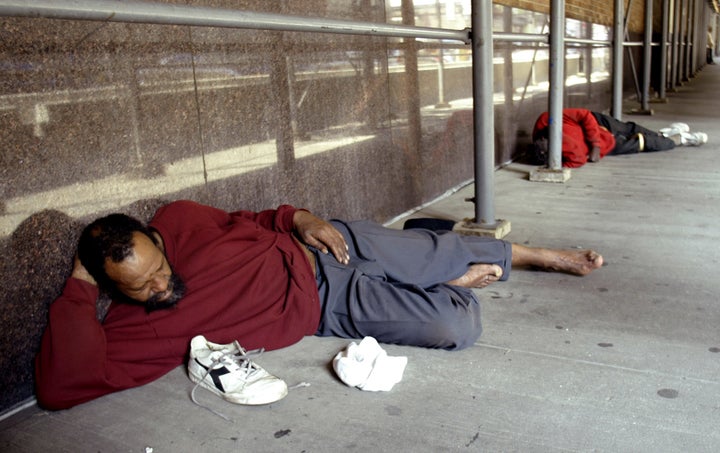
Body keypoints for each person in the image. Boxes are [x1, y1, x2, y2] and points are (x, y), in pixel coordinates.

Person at [35, 199, 603, 410]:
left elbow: (258, 219)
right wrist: (78, 287)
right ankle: (443, 267)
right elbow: (62, 388)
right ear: (110, 288)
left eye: (158, 268)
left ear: (156, 239)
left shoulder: (179, 219)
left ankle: (532, 255)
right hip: (329, 304)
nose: (160, 286)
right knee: (455, 325)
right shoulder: (136, 330)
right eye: (141, 286)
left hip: (328, 244)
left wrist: (300, 219)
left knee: (424, 253)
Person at [532, 108, 707, 168]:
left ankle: (663, 133)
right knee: (640, 143)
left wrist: (595, 144)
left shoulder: (547, 118)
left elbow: (584, 115)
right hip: (607, 145)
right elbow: (577, 160)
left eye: (546, 140)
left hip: (596, 124)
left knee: (630, 128)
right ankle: (680, 140)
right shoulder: (562, 152)